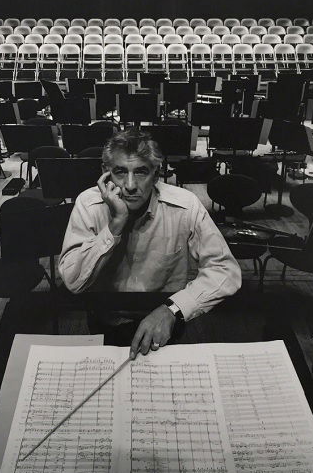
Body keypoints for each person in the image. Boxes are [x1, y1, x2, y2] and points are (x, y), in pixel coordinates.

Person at [59, 128, 242, 358]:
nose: (130, 185)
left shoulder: (186, 205)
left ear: (156, 174)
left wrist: (173, 309)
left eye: (141, 172)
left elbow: (225, 270)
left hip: (166, 320)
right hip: (106, 320)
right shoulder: (88, 204)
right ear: (105, 174)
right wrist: (115, 224)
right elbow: (73, 282)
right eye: (120, 172)